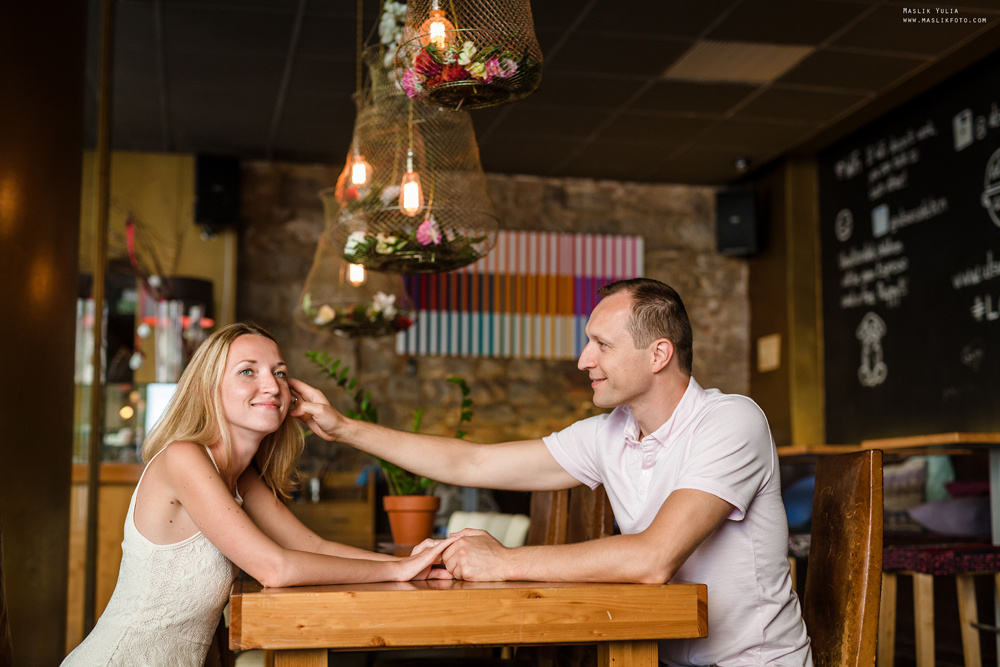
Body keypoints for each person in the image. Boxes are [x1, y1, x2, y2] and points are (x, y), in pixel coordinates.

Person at [291, 278, 813, 667]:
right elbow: (470, 461)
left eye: (601, 344)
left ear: (659, 354)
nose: (583, 358)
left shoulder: (731, 420)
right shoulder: (610, 432)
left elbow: (654, 558)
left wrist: (503, 562)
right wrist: (344, 428)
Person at [62, 323, 455, 667]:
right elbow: (276, 568)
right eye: (247, 371)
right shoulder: (183, 458)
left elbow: (313, 545)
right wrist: (394, 570)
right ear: (209, 388)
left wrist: (410, 565)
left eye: (280, 373)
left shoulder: (241, 477)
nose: (272, 385)